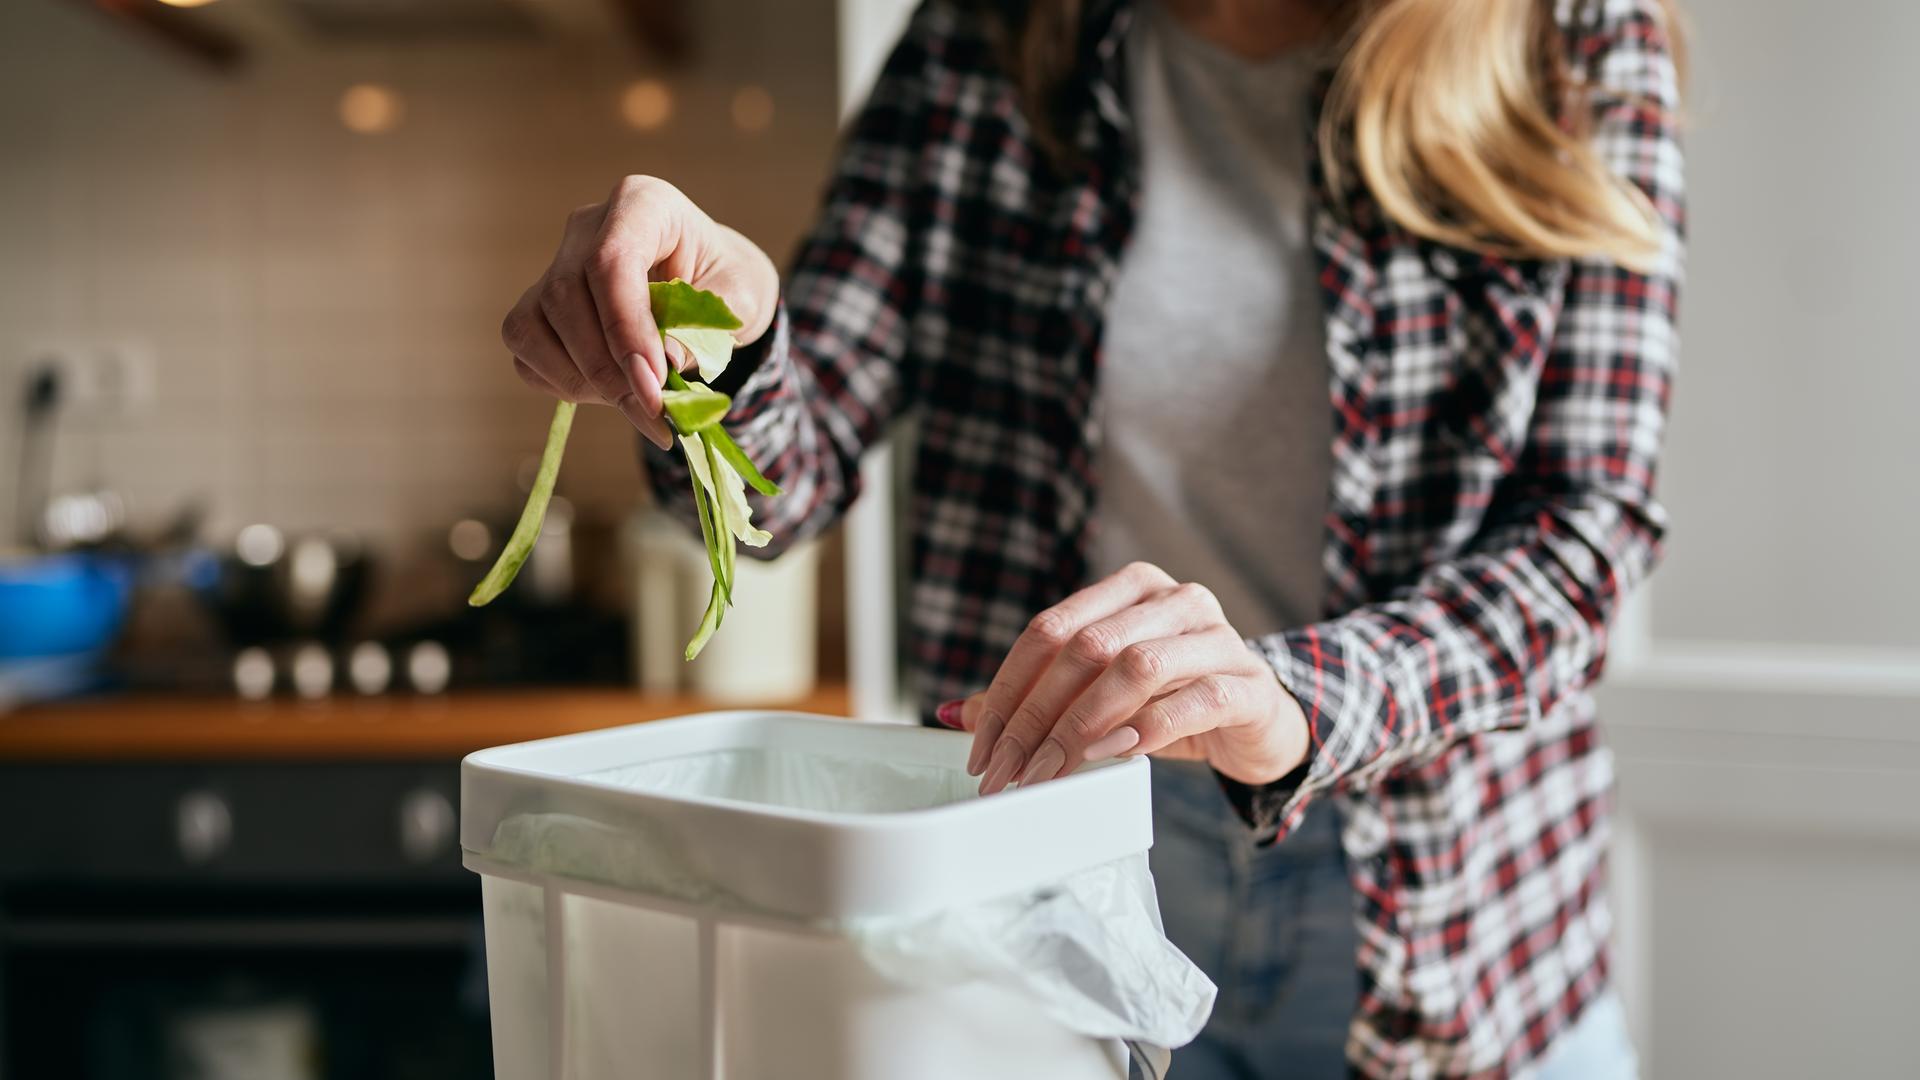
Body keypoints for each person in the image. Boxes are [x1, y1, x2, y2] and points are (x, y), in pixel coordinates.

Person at [497, 0, 1683, 1073]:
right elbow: (787, 479)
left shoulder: (1571, 40)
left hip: (1452, 906)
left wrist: (1292, 699)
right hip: (1054, 871)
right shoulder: (989, 36)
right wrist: (725, 345)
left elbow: (1585, 539)